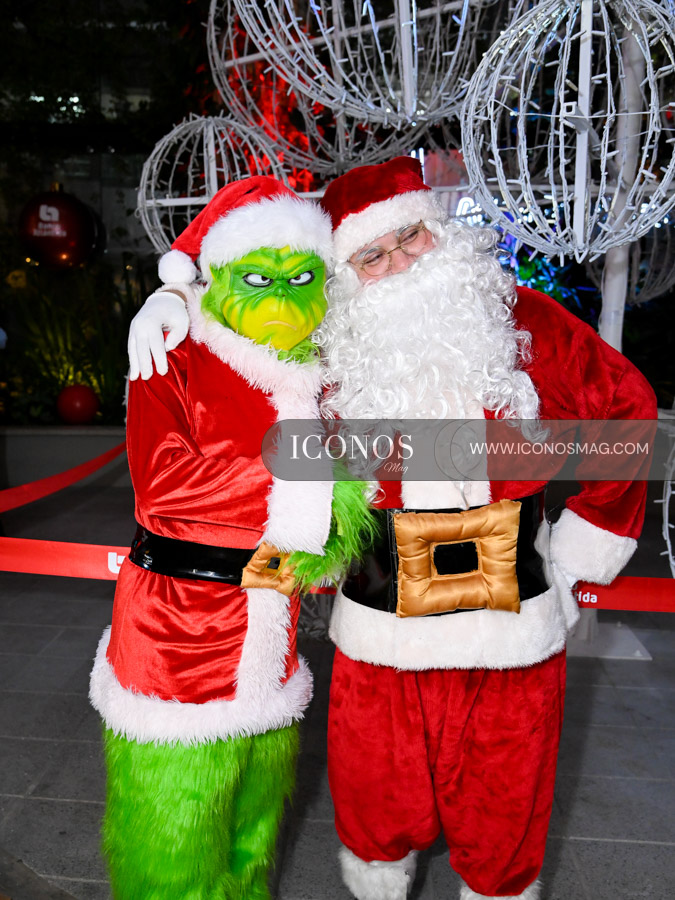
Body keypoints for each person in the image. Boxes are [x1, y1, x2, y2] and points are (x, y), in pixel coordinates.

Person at [126, 157, 656, 900]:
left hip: (511, 615)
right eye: (371, 256)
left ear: (437, 228)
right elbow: (233, 351)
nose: (399, 262)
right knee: (375, 786)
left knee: (504, 792)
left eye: (410, 238)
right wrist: (177, 298)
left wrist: (583, 546)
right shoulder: (328, 354)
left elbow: (626, 410)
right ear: (345, 275)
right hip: (379, 618)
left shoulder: (522, 318)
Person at [90, 175, 374, 900]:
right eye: (258, 275)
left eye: (299, 274)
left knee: (252, 830)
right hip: (179, 638)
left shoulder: (317, 373)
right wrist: (316, 478)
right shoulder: (175, 354)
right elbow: (165, 487)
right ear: (216, 278)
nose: (280, 292)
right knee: (174, 833)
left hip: (271, 633)